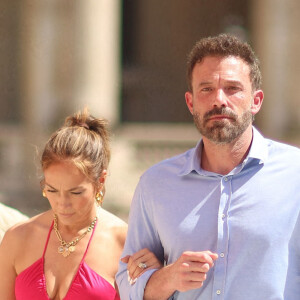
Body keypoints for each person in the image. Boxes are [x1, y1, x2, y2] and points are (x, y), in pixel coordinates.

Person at [116, 33, 300, 300]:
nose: (219, 100)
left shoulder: (295, 174)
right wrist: (168, 278)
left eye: (233, 88)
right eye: (206, 89)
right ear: (191, 102)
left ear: (256, 100)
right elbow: (127, 284)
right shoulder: (155, 185)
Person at [0, 109, 160, 300]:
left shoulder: (126, 243)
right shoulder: (17, 237)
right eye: (51, 190)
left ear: (100, 181)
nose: (62, 203)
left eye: (75, 192)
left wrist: (155, 279)